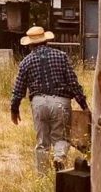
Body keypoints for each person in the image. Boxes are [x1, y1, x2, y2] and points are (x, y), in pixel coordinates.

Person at [10, 25, 89, 173]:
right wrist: (84, 105)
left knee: (42, 142)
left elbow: (18, 89)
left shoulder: (26, 62)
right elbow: (73, 83)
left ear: (30, 44)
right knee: (61, 138)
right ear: (46, 41)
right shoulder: (61, 56)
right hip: (61, 102)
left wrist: (14, 109)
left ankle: (43, 175)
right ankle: (59, 158)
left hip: (38, 103)